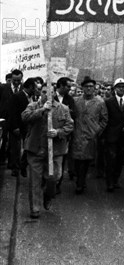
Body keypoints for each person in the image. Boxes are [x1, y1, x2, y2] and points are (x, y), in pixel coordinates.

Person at [22, 83, 74, 218]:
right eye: (44, 92)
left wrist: (58, 132)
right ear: (40, 92)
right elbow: (25, 117)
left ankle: (48, 195)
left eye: (50, 92)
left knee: (54, 177)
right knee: (35, 180)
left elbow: (70, 126)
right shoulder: (33, 106)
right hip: (36, 150)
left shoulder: (63, 108)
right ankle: (35, 208)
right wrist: (41, 111)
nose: (47, 95)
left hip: (55, 152)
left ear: (55, 93)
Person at [72, 76, 108, 194]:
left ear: (95, 88)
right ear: (82, 88)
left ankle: (81, 182)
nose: (89, 89)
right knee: (77, 159)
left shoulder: (100, 102)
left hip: (91, 136)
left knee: (86, 160)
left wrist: (97, 131)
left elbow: (104, 119)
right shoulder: (76, 101)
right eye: (86, 87)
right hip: (77, 134)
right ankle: (79, 181)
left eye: (91, 87)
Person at [102, 78, 124, 192]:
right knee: (110, 159)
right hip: (111, 136)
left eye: (123, 87)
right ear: (115, 89)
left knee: (120, 159)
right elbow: (104, 118)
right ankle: (109, 182)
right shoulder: (108, 102)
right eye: (119, 87)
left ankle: (116, 180)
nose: (121, 89)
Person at [7, 78, 37, 177]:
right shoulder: (17, 96)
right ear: (31, 87)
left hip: (28, 127)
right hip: (17, 127)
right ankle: (15, 168)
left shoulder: (34, 97)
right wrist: (15, 127)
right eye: (35, 87)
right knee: (15, 149)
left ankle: (23, 165)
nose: (36, 89)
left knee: (27, 147)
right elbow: (12, 112)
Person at [54, 77, 76, 192]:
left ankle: (57, 184)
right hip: (49, 134)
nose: (70, 88)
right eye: (68, 86)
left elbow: (73, 115)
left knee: (60, 160)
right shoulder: (50, 96)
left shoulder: (70, 99)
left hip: (63, 135)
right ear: (61, 86)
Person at [0, 69, 23, 168]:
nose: (17, 83)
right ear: (11, 79)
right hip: (3, 119)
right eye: (15, 80)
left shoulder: (23, 89)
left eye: (19, 80)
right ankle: (1, 160)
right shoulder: (3, 88)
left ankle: (13, 164)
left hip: (16, 121)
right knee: (3, 140)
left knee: (15, 145)